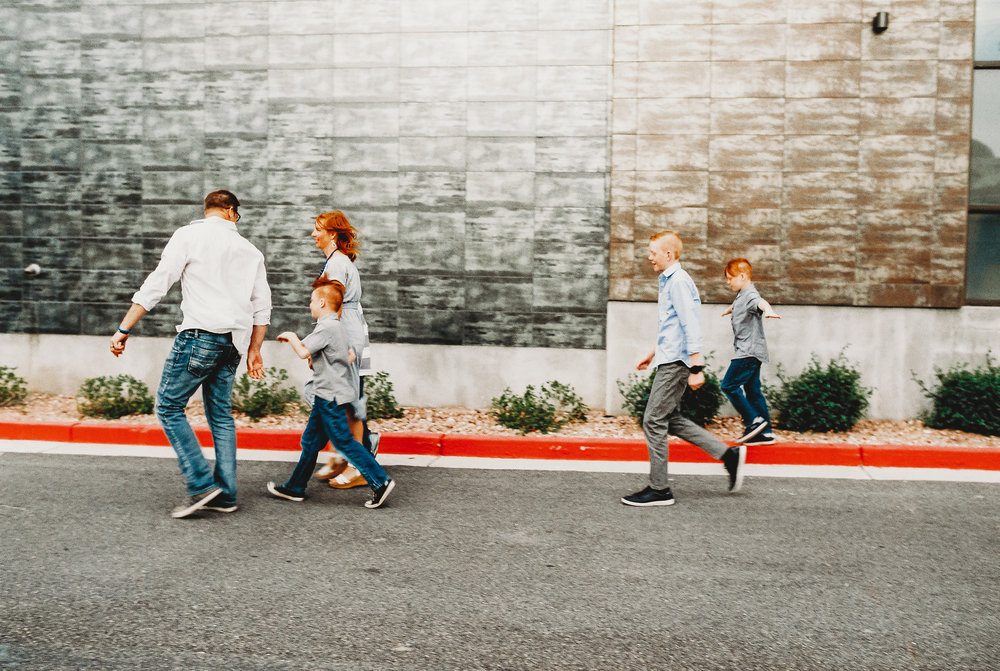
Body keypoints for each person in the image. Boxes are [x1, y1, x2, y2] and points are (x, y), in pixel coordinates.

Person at [109, 190, 271, 518]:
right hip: (233, 344)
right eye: (237, 215)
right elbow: (262, 306)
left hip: (199, 337)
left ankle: (201, 484)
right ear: (230, 210)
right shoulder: (250, 250)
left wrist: (124, 328)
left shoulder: (189, 235)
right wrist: (254, 349)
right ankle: (226, 495)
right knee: (221, 417)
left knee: (168, 407)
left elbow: (159, 282)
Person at [621, 231, 746, 507]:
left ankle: (660, 489)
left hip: (677, 362)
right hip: (669, 358)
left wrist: (696, 365)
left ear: (668, 254)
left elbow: (691, 324)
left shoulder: (678, 281)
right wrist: (651, 354)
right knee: (671, 419)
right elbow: (671, 326)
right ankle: (729, 456)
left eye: (653, 252)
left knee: (653, 420)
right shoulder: (668, 281)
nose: (649, 257)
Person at [266, 277, 395, 509]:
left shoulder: (325, 327)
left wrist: (291, 336)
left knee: (344, 442)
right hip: (330, 393)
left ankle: (380, 482)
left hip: (330, 397)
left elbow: (304, 351)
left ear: (323, 303)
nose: (309, 305)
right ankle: (295, 487)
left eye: (312, 301)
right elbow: (349, 356)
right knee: (311, 441)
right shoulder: (338, 327)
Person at [309, 210, 379, 490]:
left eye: (318, 229)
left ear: (332, 234)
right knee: (342, 396)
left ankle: (358, 465)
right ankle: (342, 455)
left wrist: (337, 347)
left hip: (345, 333)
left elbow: (332, 309)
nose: (313, 234)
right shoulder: (336, 261)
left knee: (348, 401)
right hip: (350, 329)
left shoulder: (336, 265)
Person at [720, 258, 781, 445]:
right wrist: (731, 309)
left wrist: (768, 310)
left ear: (742, 276)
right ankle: (766, 433)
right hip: (753, 352)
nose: (728, 282)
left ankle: (753, 421)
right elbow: (744, 304)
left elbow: (759, 302)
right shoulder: (742, 295)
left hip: (747, 352)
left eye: (730, 278)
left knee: (728, 385)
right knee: (753, 390)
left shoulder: (750, 295)